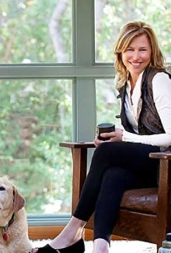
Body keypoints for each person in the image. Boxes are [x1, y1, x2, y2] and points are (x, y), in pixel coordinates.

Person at [31, 20, 171, 253]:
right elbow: (135, 135)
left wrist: (123, 138)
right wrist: (117, 139)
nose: (136, 56)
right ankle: (100, 247)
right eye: (130, 49)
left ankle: (73, 232)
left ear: (152, 52)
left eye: (142, 49)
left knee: (106, 152)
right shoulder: (127, 84)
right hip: (148, 164)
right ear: (120, 52)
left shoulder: (159, 80)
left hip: (165, 166)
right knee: (113, 175)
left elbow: (169, 137)